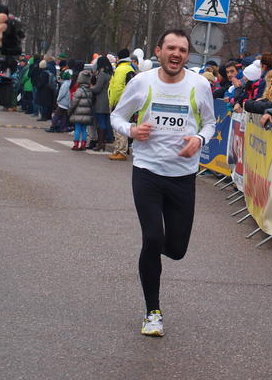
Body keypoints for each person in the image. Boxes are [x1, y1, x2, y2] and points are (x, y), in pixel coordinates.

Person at [110, 29, 215, 337]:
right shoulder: (141, 82)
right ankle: (152, 312)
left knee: (177, 249)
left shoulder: (200, 85)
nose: (176, 54)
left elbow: (210, 123)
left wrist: (199, 139)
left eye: (182, 50)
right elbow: (117, 117)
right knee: (153, 238)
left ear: (187, 55)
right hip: (148, 172)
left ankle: (155, 251)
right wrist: (131, 131)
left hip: (183, 177)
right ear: (158, 51)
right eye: (171, 48)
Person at [108, 48, 136, 160]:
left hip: (119, 102)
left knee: (118, 127)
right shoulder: (129, 68)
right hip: (126, 102)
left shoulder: (120, 69)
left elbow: (117, 88)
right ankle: (119, 150)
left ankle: (121, 151)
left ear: (119, 58)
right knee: (121, 126)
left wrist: (113, 102)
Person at [90, 55, 115, 150]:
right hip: (109, 100)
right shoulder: (111, 73)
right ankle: (104, 142)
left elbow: (97, 88)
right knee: (106, 121)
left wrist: (91, 87)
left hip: (101, 101)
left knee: (101, 122)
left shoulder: (102, 74)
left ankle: (100, 144)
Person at [68, 70, 93, 150]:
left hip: (78, 113)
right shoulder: (90, 90)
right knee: (84, 129)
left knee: (77, 129)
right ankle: (83, 144)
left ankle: (76, 144)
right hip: (87, 113)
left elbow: (74, 102)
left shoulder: (79, 90)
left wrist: (70, 111)